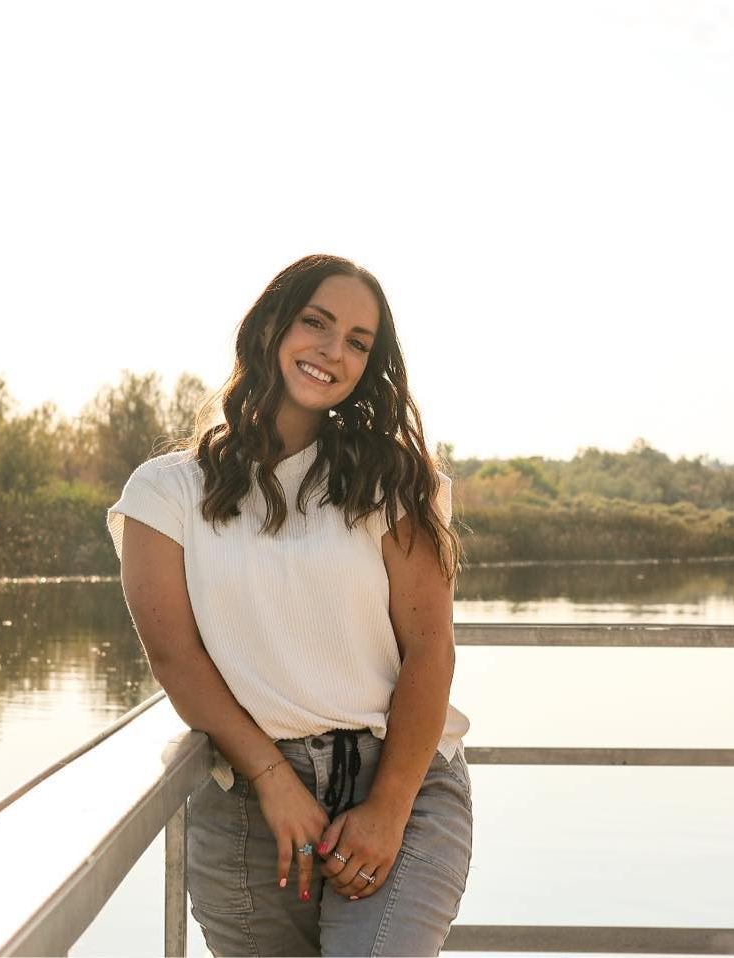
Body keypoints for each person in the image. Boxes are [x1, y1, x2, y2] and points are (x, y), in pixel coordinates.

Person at [106, 253, 473, 956]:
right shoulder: (165, 492)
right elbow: (176, 658)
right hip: (248, 797)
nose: (333, 351)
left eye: (358, 342)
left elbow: (432, 651)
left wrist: (388, 808)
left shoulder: (393, 480)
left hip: (401, 780)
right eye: (316, 323)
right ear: (272, 323)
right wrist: (272, 778)